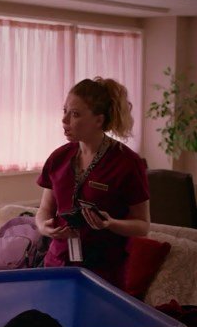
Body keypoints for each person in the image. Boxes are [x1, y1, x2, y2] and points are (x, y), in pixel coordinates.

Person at [35, 77, 149, 288]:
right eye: (64, 111)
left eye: (75, 114)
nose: (64, 120)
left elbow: (142, 226)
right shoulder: (58, 157)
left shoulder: (127, 162)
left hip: (103, 274)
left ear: (99, 120)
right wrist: (44, 227)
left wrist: (110, 224)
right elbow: (44, 210)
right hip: (57, 266)